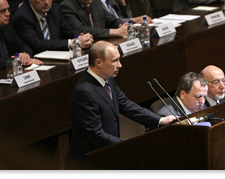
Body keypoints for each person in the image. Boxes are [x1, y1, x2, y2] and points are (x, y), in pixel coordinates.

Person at [65, 41, 176, 169]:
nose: (120, 65)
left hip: (107, 155)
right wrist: (127, 145)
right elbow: (94, 133)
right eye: (115, 61)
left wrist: (160, 120)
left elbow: (126, 105)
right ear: (98, 63)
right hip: (88, 163)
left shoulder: (108, 79)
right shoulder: (84, 92)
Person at [11, 0, 94, 55]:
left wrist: (82, 37)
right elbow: (37, 45)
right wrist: (72, 42)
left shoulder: (54, 9)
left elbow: (67, 30)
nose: (47, 2)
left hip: (59, 55)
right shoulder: (22, 17)